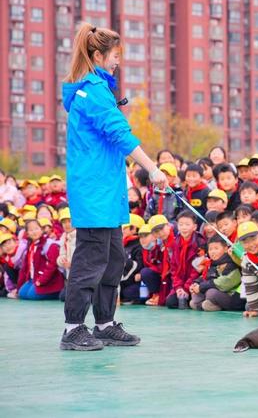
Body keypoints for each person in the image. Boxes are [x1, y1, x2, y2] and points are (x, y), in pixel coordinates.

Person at [60, 23, 168, 351]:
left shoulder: (100, 90)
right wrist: (152, 168)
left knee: (113, 259)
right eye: (115, 56)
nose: (118, 62)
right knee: (90, 261)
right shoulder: (92, 92)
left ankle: (104, 324)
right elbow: (120, 133)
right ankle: (73, 328)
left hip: (107, 190)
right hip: (94, 191)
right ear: (98, 56)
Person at [189, 234, 244, 311]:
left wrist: (201, 287)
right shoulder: (212, 263)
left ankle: (213, 306)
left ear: (225, 249)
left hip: (231, 296)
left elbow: (224, 283)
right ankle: (208, 305)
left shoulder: (231, 263)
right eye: (210, 249)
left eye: (216, 248)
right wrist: (196, 283)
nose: (212, 252)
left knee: (211, 293)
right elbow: (205, 277)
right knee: (194, 298)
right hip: (216, 292)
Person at [17, 218, 65, 300]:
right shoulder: (30, 246)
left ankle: (57, 292)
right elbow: (25, 268)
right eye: (31, 230)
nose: (34, 232)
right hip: (34, 279)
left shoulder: (49, 244)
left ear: (41, 230)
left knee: (31, 295)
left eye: (36, 228)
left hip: (50, 280)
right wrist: (19, 286)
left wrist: (41, 281)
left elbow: (52, 266)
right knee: (22, 294)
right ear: (27, 234)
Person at [119, 214, 144, 304]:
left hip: (134, 281)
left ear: (133, 229)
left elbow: (139, 265)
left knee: (127, 293)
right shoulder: (122, 244)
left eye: (124, 228)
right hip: (123, 279)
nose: (122, 230)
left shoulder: (139, 245)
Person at [56, 208, 76, 300]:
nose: (67, 224)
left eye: (69, 221)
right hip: (70, 275)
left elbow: (86, 257)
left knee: (68, 296)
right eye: (64, 222)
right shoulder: (64, 237)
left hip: (80, 274)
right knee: (63, 296)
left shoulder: (80, 236)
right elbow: (62, 254)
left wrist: (72, 264)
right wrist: (62, 260)